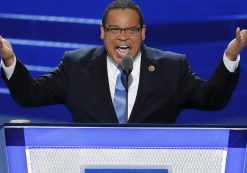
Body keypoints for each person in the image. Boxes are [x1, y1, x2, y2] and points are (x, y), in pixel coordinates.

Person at [0, 0, 247, 123]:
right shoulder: (76, 65)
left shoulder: (172, 67)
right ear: (102, 33)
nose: (122, 37)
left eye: (131, 30)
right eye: (114, 29)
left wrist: (230, 57)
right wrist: (9, 59)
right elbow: (30, 96)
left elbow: (211, 100)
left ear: (143, 33)